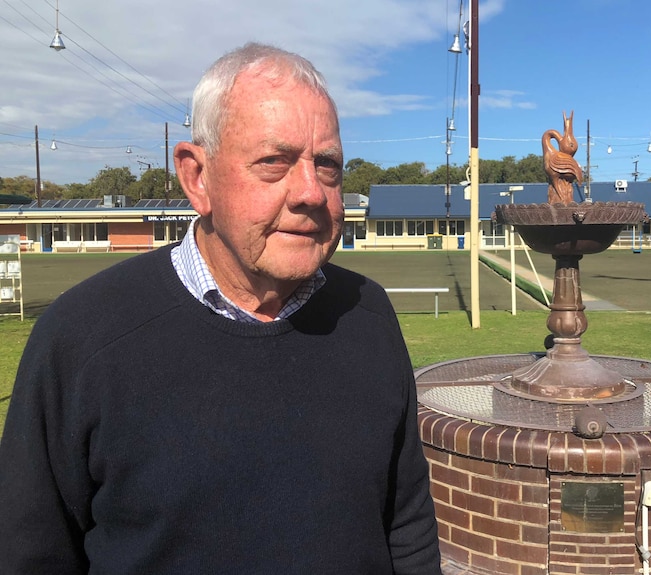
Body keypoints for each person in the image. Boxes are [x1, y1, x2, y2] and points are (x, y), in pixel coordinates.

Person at [0, 42, 441, 574]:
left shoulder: (367, 314)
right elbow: (31, 554)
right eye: (273, 162)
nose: (310, 192)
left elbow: (408, 525)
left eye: (327, 166)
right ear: (197, 178)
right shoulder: (80, 339)